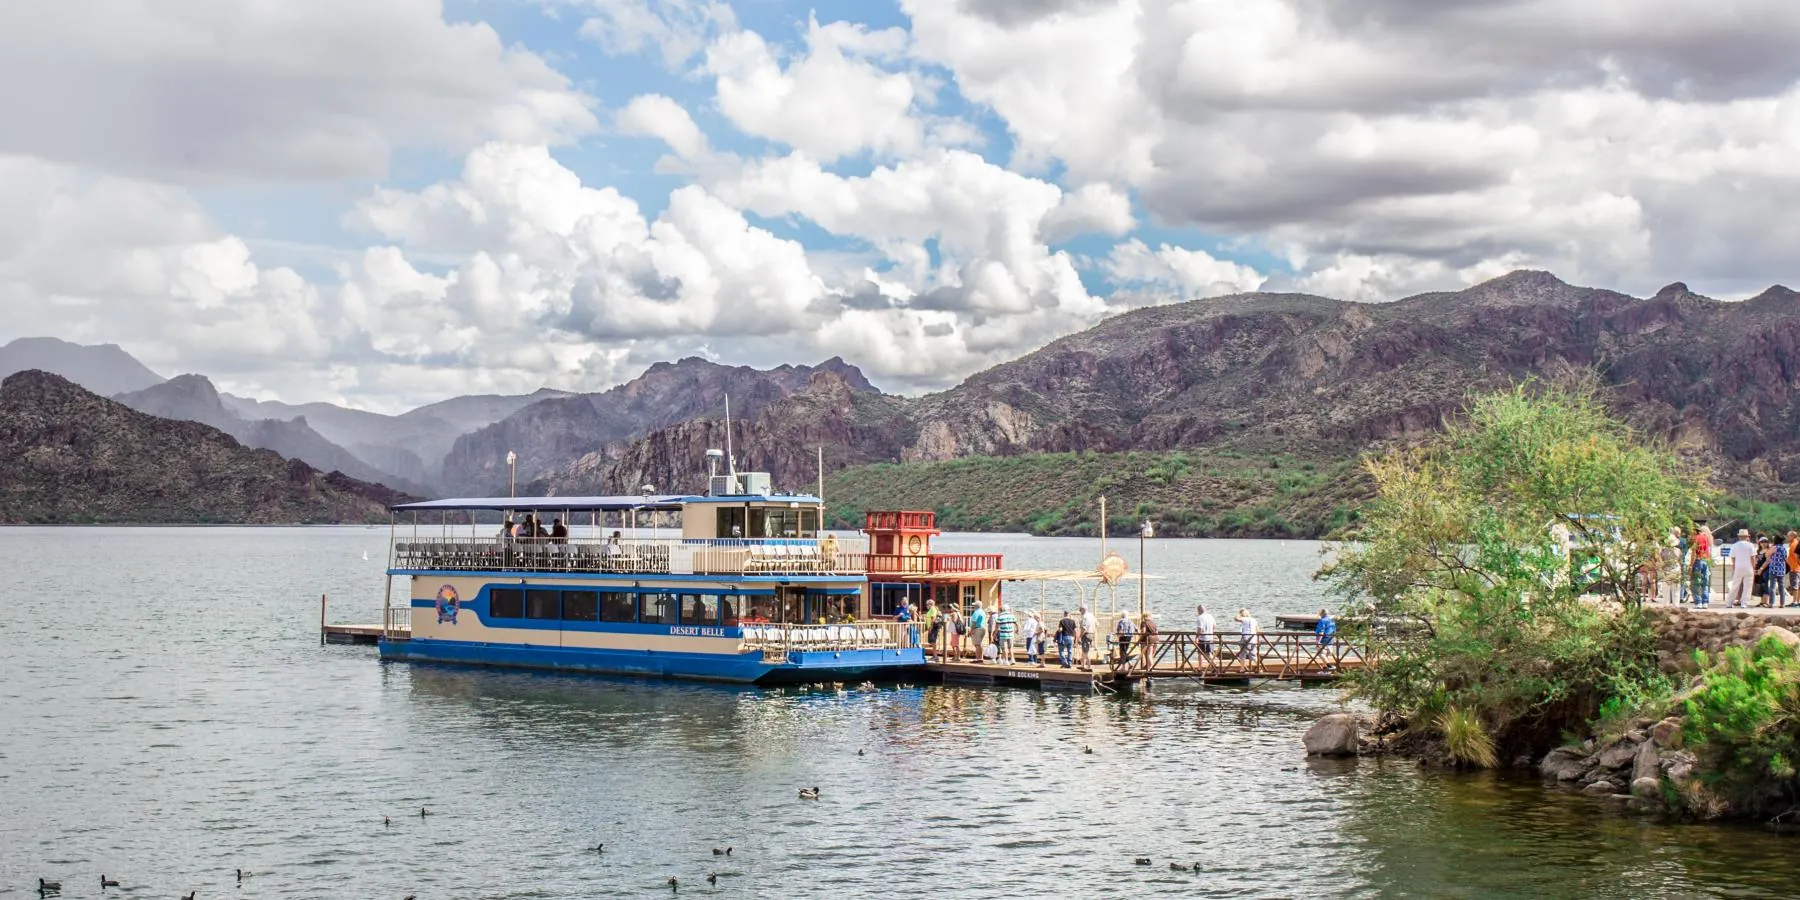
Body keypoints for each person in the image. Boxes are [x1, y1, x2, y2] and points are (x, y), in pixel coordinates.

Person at [1726, 528, 1757, 608]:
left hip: (1738, 567)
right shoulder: (1751, 545)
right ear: (1747, 537)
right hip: (1748, 567)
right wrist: (1753, 568)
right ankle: (1744, 603)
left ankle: (1729, 603)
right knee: (1748, 586)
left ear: (1739, 537)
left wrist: (1734, 566)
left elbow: (1733, 557)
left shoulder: (1735, 545)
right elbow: (1753, 558)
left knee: (1735, 585)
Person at [1691, 524, 1714, 607]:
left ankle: (1698, 602)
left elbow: (1694, 552)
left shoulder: (1697, 538)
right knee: (1705, 583)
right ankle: (1705, 602)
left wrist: (1691, 564)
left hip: (1698, 560)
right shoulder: (1707, 539)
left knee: (1696, 582)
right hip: (1706, 561)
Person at [1766, 535, 1789, 608]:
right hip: (1781, 569)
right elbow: (1785, 558)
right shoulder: (1783, 548)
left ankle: (1771, 603)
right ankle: (1782, 604)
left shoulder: (1774, 547)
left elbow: (1767, 554)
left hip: (1773, 568)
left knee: (1772, 587)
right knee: (1781, 587)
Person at [1078, 605, 1097, 670]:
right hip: (1091, 633)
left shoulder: (1084, 617)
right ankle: (1082, 665)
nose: (1080, 611)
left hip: (1086, 634)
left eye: (1080, 610)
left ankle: (1089, 667)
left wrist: (1080, 637)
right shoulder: (1091, 615)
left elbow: (1084, 628)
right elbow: (1097, 624)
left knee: (1086, 651)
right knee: (1084, 650)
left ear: (1083, 609)